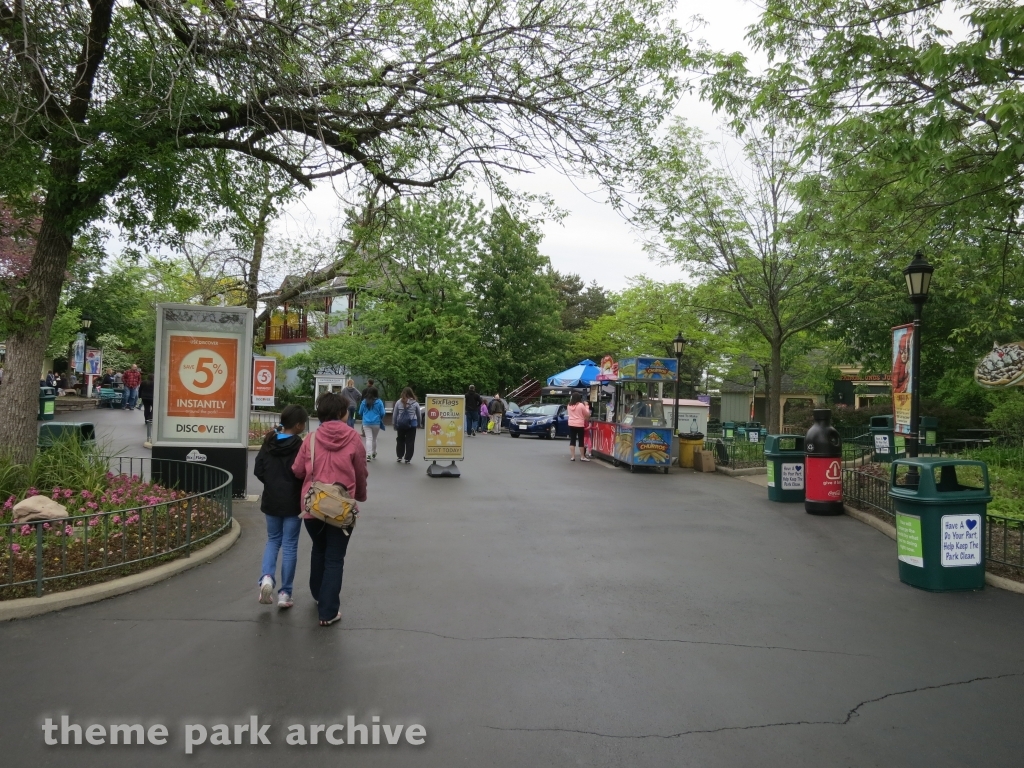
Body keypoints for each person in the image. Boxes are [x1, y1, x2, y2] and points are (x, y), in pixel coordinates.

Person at [291, 392, 368, 627]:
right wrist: (360, 496)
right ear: (341, 413)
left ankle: (318, 595)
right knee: (335, 558)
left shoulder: (311, 439)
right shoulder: (354, 439)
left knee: (318, 549)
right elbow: (361, 472)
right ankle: (328, 611)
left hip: (313, 509)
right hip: (341, 510)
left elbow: (297, 470)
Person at [254, 405, 309, 609]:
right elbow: (303, 471)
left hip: (271, 499)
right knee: (289, 545)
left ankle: (266, 578)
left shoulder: (269, 441)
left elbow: (258, 469)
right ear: (297, 425)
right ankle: (285, 593)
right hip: (293, 501)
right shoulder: (299, 445)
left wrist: (271, 483)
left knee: (273, 540)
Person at [357, 386, 385, 460]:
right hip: (376, 423)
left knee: (368, 438)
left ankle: (368, 455)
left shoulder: (364, 401)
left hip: (366, 423)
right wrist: (380, 418)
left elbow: (360, 412)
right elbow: (382, 412)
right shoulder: (379, 402)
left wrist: (364, 415)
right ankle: (374, 452)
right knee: (374, 438)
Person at [393, 387, 419, 463]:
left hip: (401, 424)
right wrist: (419, 423)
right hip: (412, 424)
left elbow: (395, 414)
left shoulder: (398, 402)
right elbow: (418, 415)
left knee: (400, 440)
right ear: (411, 393)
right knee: (410, 441)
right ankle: (408, 458)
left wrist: (395, 424)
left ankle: (399, 456)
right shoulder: (415, 403)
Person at [567, 393, 591, 462]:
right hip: (580, 424)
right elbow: (587, 414)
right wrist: (586, 406)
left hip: (571, 424)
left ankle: (572, 457)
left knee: (572, 440)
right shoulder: (581, 405)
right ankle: (582, 457)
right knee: (581, 441)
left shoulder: (569, 405)